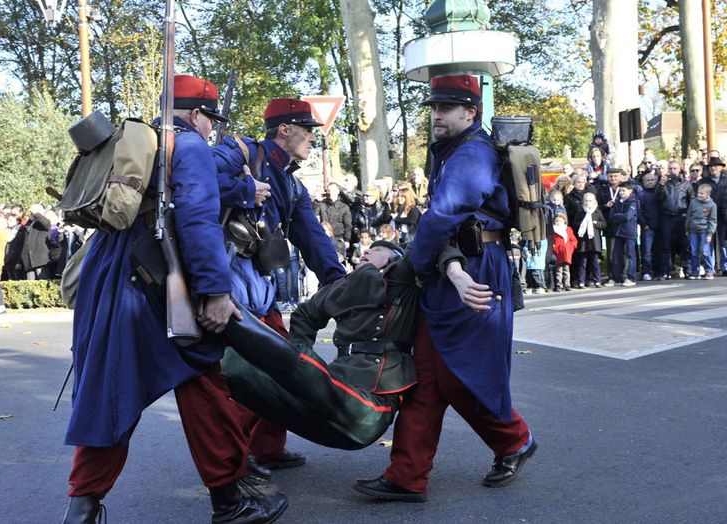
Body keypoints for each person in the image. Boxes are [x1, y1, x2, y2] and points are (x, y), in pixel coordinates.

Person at [60, 75, 287, 524]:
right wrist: (217, 293)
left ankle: (84, 508)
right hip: (152, 283)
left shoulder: (140, 143)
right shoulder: (188, 147)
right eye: (211, 122)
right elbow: (199, 223)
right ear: (197, 115)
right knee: (199, 372)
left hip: (110, 277)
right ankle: (228, 499)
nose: (212, 132)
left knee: (117, 390)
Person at [353, 74, 535, 503]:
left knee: (458, 375)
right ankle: (407, 475)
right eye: (433, 108)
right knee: (430, 378)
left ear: (469, 113)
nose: (436, 115)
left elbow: (442, 215)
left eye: (445, 108)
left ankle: (514, 438)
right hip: (458, 266)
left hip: (476, 269)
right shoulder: (456, 149)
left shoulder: (472, 152)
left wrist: (417, 265)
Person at [219, 240, 465, 450]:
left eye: (376, 249)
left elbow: (432, 241)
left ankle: (225, 309)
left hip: (369, 404)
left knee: (293, 363)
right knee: (244, 377)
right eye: (366, 249)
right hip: (334, 387)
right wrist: (302, 361)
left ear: (393, 258)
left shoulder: (401, 278)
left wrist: (456, 271)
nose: (366, 252)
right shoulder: (339, 287)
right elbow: (304, 315)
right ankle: (216, 337)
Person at [213, 97, 347, 472]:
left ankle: (267, 448)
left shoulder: (290, 181)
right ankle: (234, 463)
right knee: (242, 380)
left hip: (262, 290)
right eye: (307, 131)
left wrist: (337, 280)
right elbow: (193, 181)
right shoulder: (238, 152)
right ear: (285, 130)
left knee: (285, 367)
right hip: (231, 286)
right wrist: (243, 190)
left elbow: (311, 235)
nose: (312, 139)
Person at [657, 160, 693, 280]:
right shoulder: (663, 183)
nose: (673, 171)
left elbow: (691, 201)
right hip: (667, 217)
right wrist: (661, 185)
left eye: (675, 168)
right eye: (670, 168)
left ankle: (688, 270)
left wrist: (689, 217)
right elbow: (657, 199)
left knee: (685, 244)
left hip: (682, 216)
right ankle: (665, 271)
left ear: (680, 169)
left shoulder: (686, 184)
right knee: (666, 245)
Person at [701, 157, 727, 275]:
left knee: (724, 242)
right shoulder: (703, 181)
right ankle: (710, 268)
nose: (713, 168)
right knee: (708, 242)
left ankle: (725, 267)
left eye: (716, 166)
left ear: (721, 167)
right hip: (708, 216)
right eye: (711, 166)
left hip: (723, 214)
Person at [607, 182, 639, 286]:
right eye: (620, 190)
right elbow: (611, 217)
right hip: (618, 232)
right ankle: (617, 278)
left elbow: (627, 216)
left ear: (630, 191)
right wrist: (618, 216)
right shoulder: (618, 202)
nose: (621, 192)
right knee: (616, 255)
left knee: (630, 255)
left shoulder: (633, 202)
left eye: (623, 190)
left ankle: (631, 277)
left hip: (629, 232)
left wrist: (617, 216)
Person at [573, 192, 606, 288]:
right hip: (583, 242)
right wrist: (583, 223)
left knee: (595, 263)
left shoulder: (597, 212)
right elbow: (574, 223)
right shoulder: (580, 212)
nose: (588, 203)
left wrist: (596, 223)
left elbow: (604, 224)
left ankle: (597, 280)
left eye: (590, 200)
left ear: (594, 202)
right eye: (586, 200)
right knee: (583, 263)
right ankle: (581, 281)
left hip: (594, 242)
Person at [685, 184, 717, 280]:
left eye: (702, 194)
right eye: (698, 193)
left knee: (706, 251)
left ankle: (709, 271)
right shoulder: (693, 202)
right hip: (693, 230)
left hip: (704, 230)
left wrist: (710, 234)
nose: (699, 195)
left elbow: (713, 220)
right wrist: (687, 229)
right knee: (694, 252)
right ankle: (695, 272)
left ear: (708, 194)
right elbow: (689, 216)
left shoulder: (712, 205)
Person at [638, 172, 660, 281]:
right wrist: (644, 224)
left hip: (660, 226)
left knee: (659, 249)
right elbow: (639, 211)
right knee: (646, 251)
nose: (650, 182)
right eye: (648, 180)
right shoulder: (641, 194)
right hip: (647, 226)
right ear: (643, 182)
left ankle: (657, 271)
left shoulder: (659, 192)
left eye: (652, 180)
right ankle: (646, 271)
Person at [20, 204, 52, 280]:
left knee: (43, 281)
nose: (30, 215)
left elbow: (47, 224)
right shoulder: (30, 224)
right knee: (30, 285)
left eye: (32, 213)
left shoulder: (42, 224)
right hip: (29, 261)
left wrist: (37, 214)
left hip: (40, 260)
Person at [551, 212, 577, 292]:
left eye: (560, 221)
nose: (558, 222)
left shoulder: (568, 229)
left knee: (566, 270)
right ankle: (559, 285)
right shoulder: (553, 230)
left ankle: (567, 285)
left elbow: (573, 240)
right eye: (557, 221)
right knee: (559, 271)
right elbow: (551, 242)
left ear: (564, 221)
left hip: (567, 253)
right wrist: (555, 248)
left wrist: (571, 247)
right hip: (558, 253)